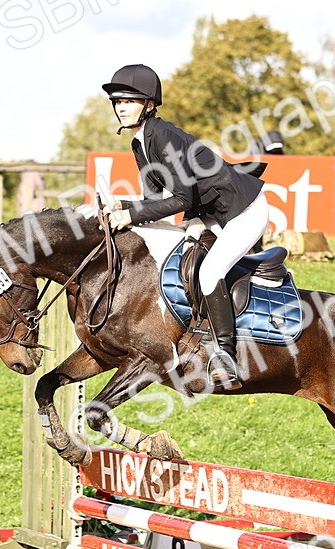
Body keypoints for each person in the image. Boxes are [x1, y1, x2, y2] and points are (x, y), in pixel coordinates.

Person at [102, 63, 267, 390]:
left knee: (209, 272)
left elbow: (179, 199)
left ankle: (226, 355)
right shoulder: (141, 142)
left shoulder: (163, 136)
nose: (121, 107)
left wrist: (129, 214)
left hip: (242, 210)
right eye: (117, 101)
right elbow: (154, 202)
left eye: (129, 100)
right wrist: (121, 205)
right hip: (208, 212)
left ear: (149, 104)